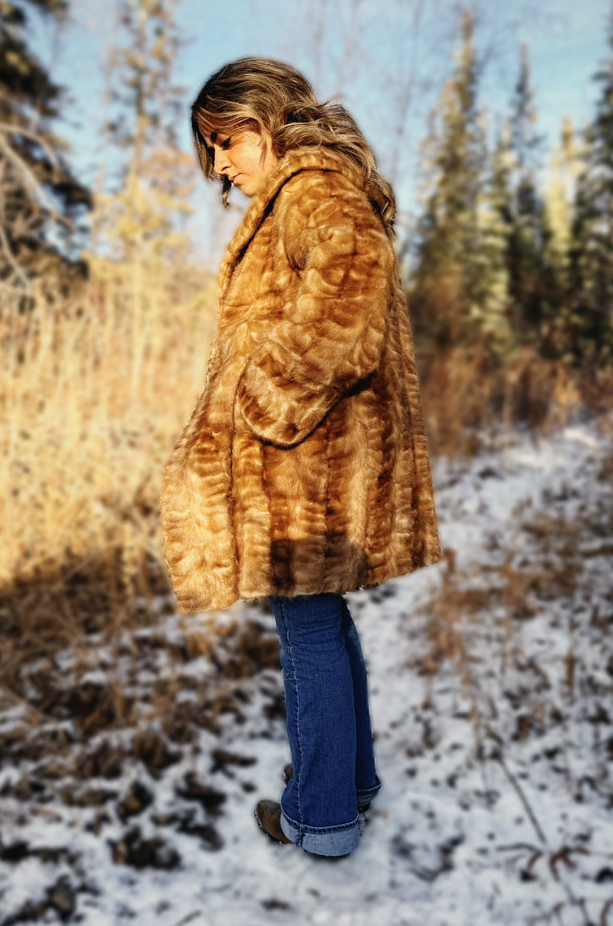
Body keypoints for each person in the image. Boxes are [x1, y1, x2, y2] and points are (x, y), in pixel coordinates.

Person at [161, 57, 441, 858]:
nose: (219, 163)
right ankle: (348, 786)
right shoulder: (306, 193)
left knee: (307, 632)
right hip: (310, 459)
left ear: (266, 117)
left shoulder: (312, 189)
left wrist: (264, 401)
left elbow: (346, 302)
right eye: (210, 149)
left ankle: (320, 820)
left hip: (301, 464)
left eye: (225, 140)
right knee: (323, 623)